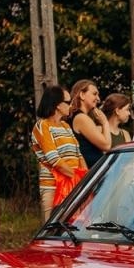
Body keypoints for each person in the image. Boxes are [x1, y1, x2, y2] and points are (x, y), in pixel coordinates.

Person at [30, 85, 86, 221]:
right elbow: (54, 159)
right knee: (52, 227)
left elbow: (78, 154)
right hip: (53, 186)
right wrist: (78, 178)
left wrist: (85, 175)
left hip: (72, 184)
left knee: (75, 226)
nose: (71, 105)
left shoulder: (66, 126)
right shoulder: (43, 125)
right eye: (68, 102)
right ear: (57, 105)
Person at [66, 80, 115, 170]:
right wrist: (105, 123)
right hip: (88, 173)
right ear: (82, 95)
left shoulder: (77, 116)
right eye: (94, 94)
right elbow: (106, 145)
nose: (98, 99)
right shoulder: (81, 118)